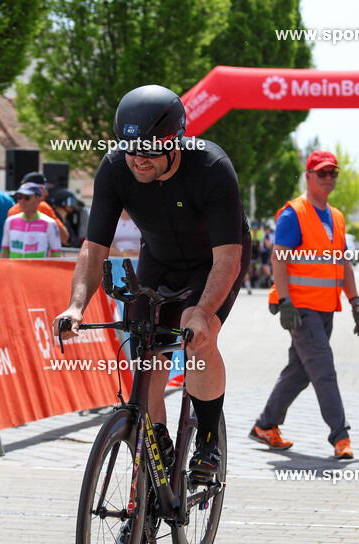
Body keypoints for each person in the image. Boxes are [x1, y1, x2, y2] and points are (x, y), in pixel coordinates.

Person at [56, 84, 252, 481]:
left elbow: (228, 258)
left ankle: (208, 441)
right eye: (130, 150)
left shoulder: (212, 167)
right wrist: (76, 305)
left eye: (148, 151)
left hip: (213, 262)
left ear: (175, 142)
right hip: (159, 261)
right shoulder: (114, 168)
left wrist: (201, 313)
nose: (138, 161)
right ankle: (156, 446)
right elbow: (94, 248)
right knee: (145, 350)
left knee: (197, 337)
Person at [250, 150, 359, 460]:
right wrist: (285, 302)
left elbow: (344, 263)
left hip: (325, 309)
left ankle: (265, 425)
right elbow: (279, 259)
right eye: (322, 173)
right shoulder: (294, 214)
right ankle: (340, 436)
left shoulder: (337, 217)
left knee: (300, 372)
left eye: (333, 173)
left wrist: (355, 302)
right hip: (300, 310)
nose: (329, 178)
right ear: (309, 176)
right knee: (323, 369)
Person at [0, 182, 63, 258]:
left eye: (27, 197)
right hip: (15, 269)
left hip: (38, 269)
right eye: (19, 196)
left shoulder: (49, 223)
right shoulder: (10, 222)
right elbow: (4, 252)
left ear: (38, 199)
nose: (22, 201)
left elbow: (57, 255)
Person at [8, 171, 69, 245]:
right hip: (40, 255)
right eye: (45, 188)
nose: (47, 194)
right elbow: (64, 237)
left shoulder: (12, 211)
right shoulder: (43, 207)